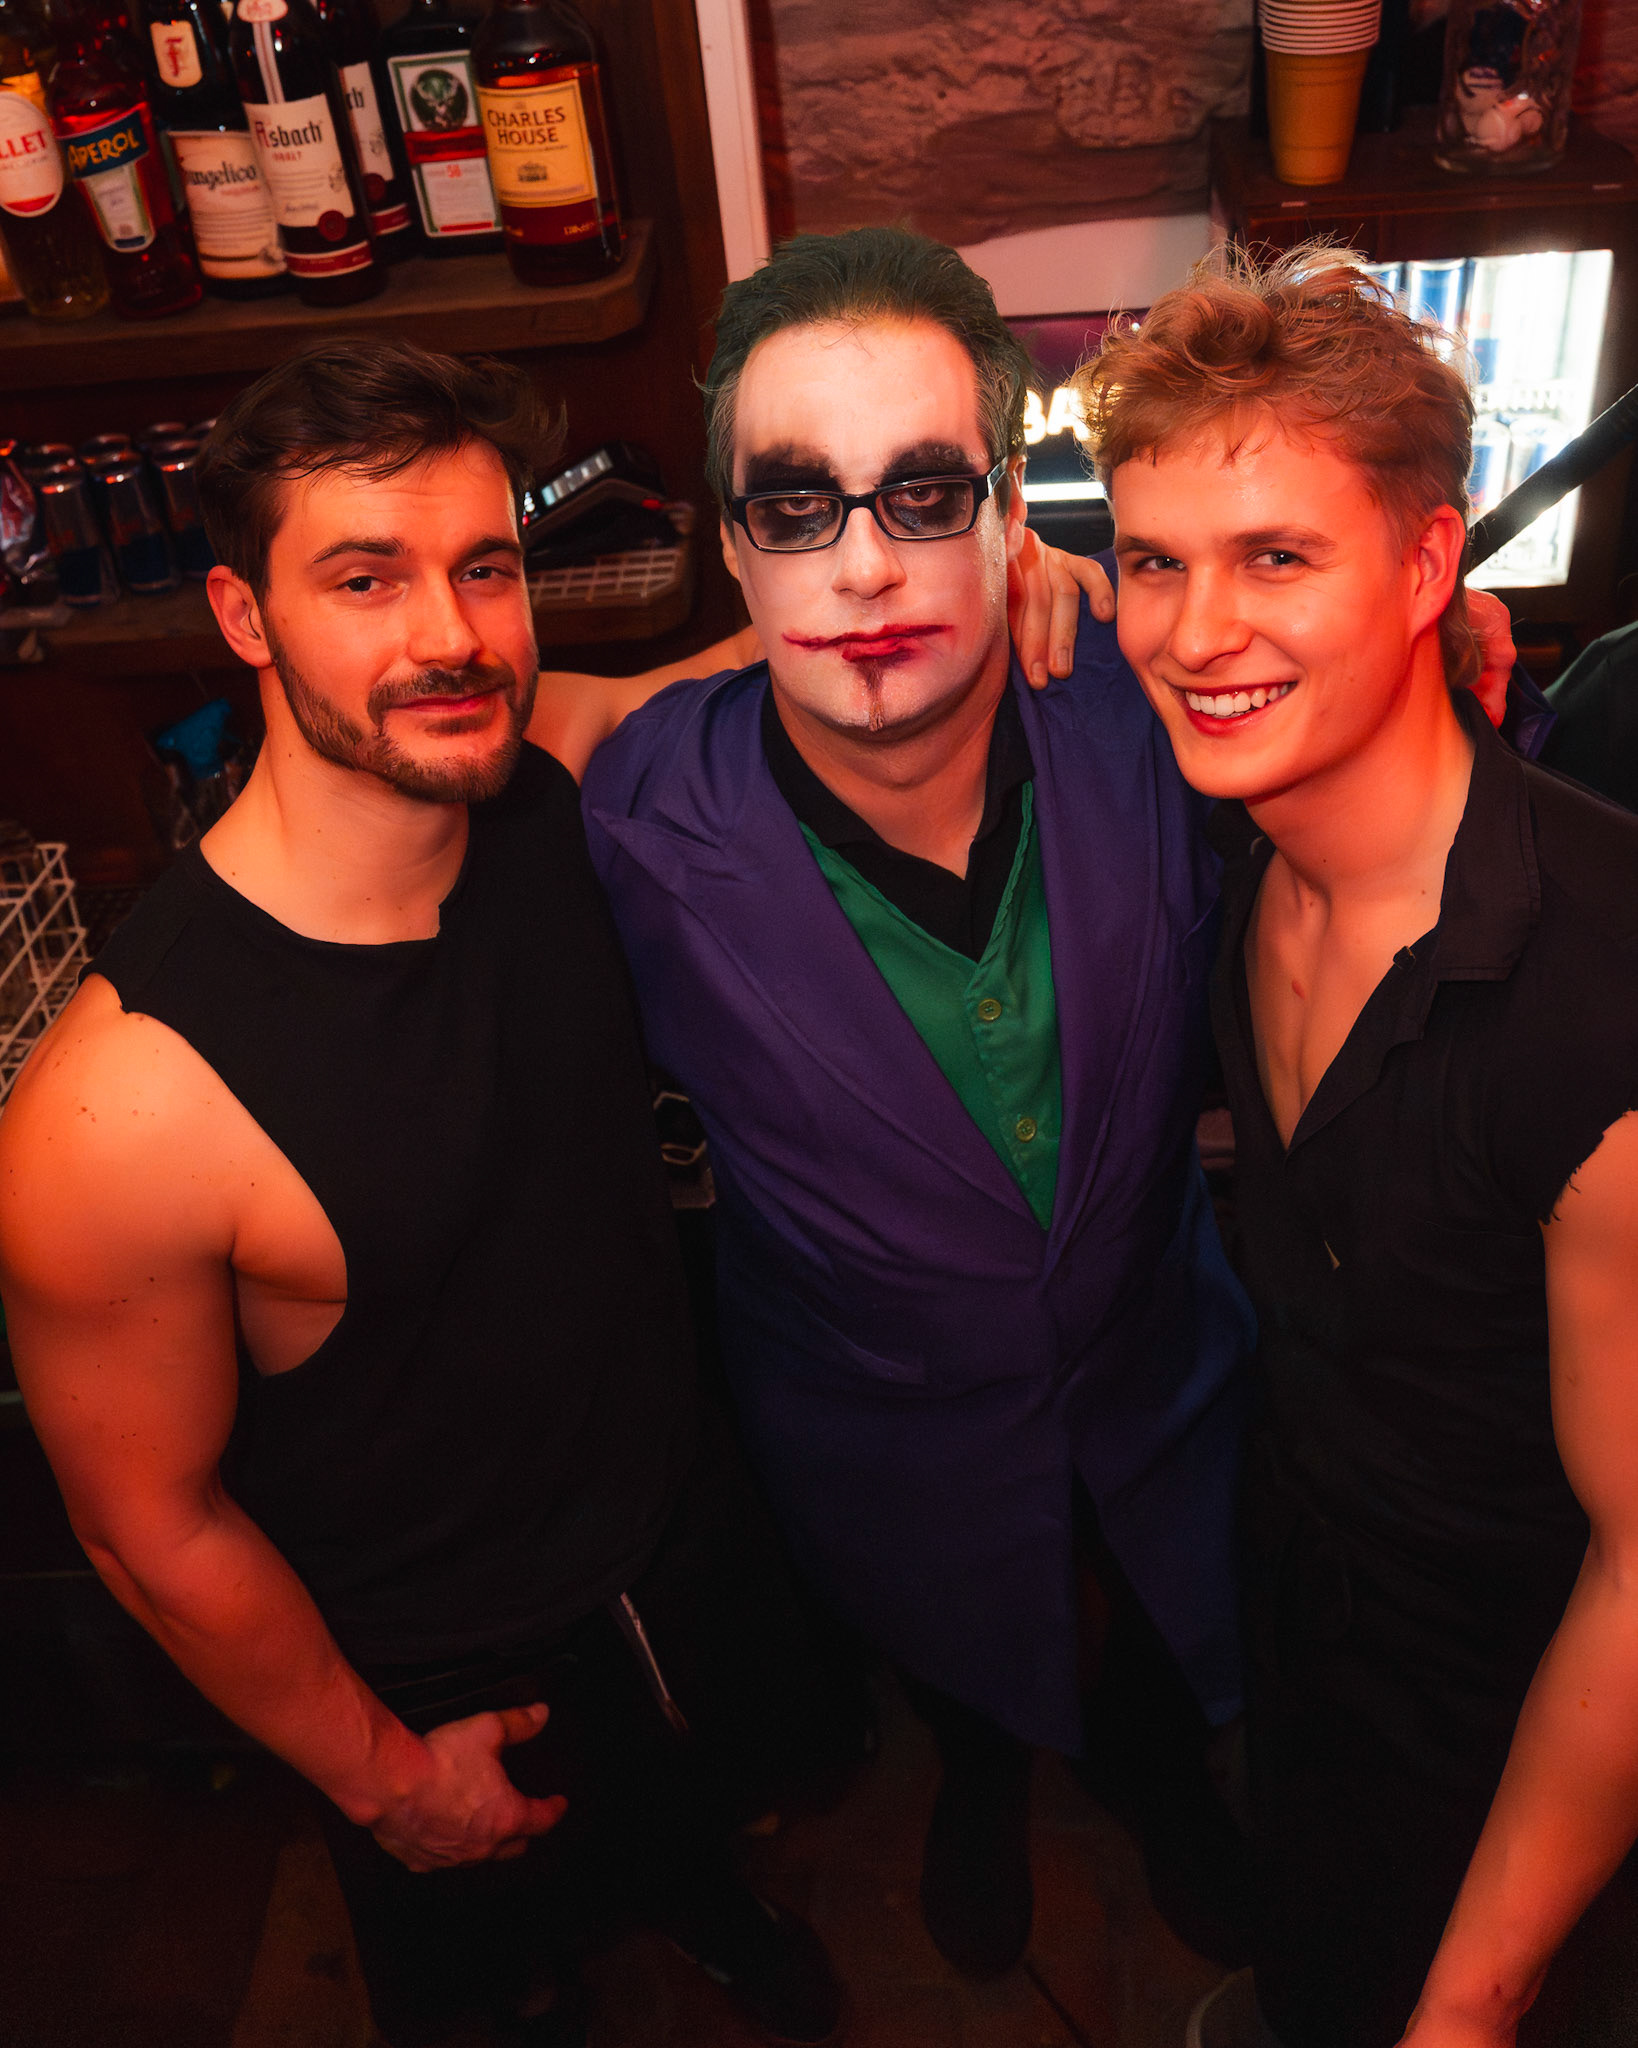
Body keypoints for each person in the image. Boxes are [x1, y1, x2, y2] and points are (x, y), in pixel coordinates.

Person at [0, 340, 849, 2048]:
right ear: (244, 617)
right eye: (364, 580)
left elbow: (716, 677)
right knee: (489, 1986)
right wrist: (385, 1777)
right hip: (441, 1671)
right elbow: (146, 1526)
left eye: (484, 569)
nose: (449, 636)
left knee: (696, 1829)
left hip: (677, 1532)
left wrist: (1001, 588)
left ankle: (701, 1894)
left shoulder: (528, 773)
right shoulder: (121, 1107)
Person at [530, 224, 1268, 1981]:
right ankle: (977, 1779)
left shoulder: (1159, 722)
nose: (863, 568)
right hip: (866, 1417)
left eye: (924, 495)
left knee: (1165, 1633)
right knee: (949, 1643)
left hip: (1162, 1365)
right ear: (732, 549)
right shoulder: (631, 820)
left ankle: (1164, 1787)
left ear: (1011, 510)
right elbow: (467, 724)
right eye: (796, 508)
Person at [1080, 247, 1638, 2048]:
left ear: (1423, 564)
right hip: (1314, 1617)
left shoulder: (1592, 1016)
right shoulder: (1246, 854)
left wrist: (1468, 2011)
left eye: (1276, 558)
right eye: (1152, 563)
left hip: (1523, 1715)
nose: (1193, 633)